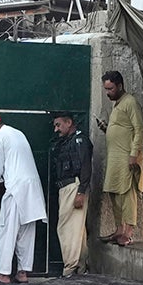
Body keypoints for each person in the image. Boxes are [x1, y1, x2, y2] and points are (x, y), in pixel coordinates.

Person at [0, 110, 47, 281]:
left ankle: (4, 274)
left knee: (7, 230)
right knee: (26, 232)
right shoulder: (18, 133)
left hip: (16, 188)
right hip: (32, 188)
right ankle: (23, 272)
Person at [100, 71, 143, 245]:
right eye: (106, 89)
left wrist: (134, 154)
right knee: (113, 192)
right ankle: (118, 230)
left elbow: (139, 129)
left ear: (119, 86)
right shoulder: (117, 104)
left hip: (127, 157)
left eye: (110, 88)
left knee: (127, 194)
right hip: (114, 158)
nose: (108, 92)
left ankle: (128, 232)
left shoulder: (130, 102)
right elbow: (122, 129)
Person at [47, 109, 92, 274]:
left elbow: (86, 166)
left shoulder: (80, 140)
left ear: (69, 123)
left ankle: (70, 269)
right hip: (67, 188)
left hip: (74, 187)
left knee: (67, 229)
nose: (56, 129)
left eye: (58, 125)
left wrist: (81, 191)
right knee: (75, 229)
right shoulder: (68, 141)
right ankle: (80, 267)